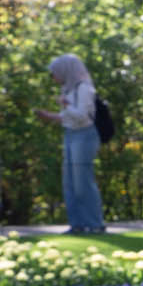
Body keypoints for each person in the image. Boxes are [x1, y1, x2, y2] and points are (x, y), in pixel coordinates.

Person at [34, 54, 105, 233]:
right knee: (70, 182)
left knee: (83, 182)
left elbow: (81, 115)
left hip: (85, 135)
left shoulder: (84, 88)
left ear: (66, 70)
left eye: (55, 73)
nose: (54, 78)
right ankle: (77, 225)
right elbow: (68, 118)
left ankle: (95, 224)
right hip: (70, 134)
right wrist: (49, 116)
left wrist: (66, 105)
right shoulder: (68, 89)